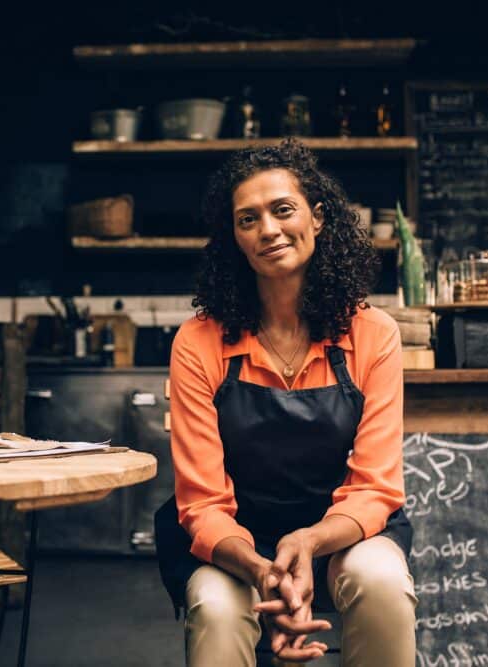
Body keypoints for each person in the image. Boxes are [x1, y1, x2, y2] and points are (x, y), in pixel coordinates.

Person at [155, 138, 417, 666]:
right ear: (234, 237)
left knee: (382, 580)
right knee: (216, 607)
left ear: (317, 219)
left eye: (282, 210)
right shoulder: (198, 342)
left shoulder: (373, 334)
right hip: (234, 541)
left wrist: (312, 541)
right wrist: (260, 570)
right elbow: (201, 504)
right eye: (247, 219)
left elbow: (375, 488)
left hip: (340, 532)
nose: (268, 230)